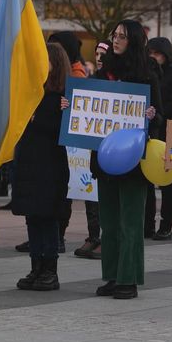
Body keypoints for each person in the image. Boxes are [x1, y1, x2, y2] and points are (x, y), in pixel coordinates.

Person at [90, 19, 162, 299]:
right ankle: (112, 275)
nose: (116, 40)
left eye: (122, 36)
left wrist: (153, 117)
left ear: (133, 40)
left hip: (133, 159)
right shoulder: (102, 72)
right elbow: (88, 109)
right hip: (105, 158)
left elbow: (160, 116)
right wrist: (70, 105)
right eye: (114, 35)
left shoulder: (146, 74)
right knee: (108, 221)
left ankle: (128, 278)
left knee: (130, 222)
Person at [14, 43, 71, 291]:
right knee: (32, 217)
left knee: (47, 217)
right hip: (28, 163)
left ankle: (50, 269)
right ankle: (36, 266)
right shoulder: (31, 94)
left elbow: (61, 131)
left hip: (50, 166)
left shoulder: (62, 98)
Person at [145, 37, 172, 241]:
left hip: (169, 131)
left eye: (157, 53)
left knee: (168, 181)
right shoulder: (147, 72)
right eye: (150, 52)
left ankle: (166, 225)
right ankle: (148, 224)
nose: (153, 56)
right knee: (147, 179)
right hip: (152, 131)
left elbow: (170, 106)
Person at [73, 40, 111, 260]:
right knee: (91, 192)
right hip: (94, 146)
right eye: (96, 53)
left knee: (105, 196)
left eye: (102, 53)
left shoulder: (112, 79)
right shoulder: (92, 79)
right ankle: (93, 235)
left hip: (110, 148)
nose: (98, 57)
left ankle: (105, 238)